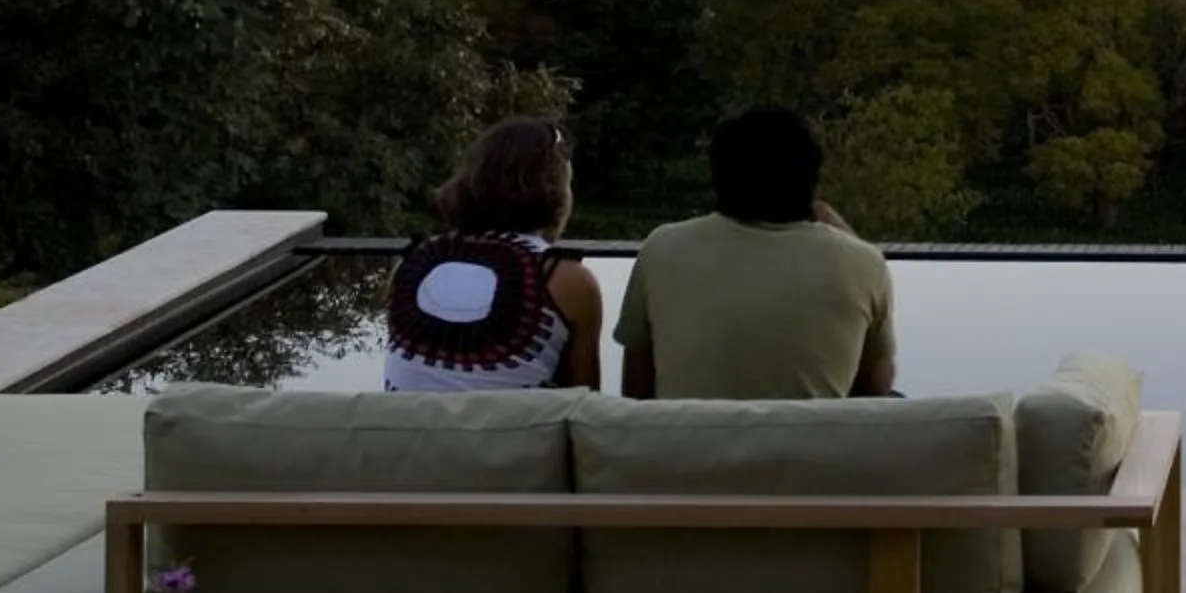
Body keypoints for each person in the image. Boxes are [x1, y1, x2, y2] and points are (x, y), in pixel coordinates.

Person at [616, 104, 898, 400]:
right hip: (809, 433)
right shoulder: (862, 263)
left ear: (718, 175)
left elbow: (636, 394)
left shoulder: (662, 249)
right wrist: (848, 238)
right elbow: (875, 391)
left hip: (689, 431)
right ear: (811, 179)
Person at [385, 117, 603, 392]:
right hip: (517, 423)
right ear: (555, 192)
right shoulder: (569, 282)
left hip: (403, 421)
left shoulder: (410, 266)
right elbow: (585, 405)